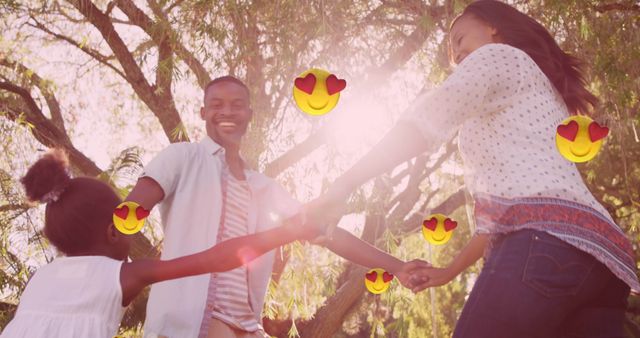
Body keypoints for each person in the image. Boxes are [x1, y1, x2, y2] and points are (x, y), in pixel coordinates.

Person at [302, 1, 639, 337]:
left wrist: (344, 184)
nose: (457, 53)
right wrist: (450, 271)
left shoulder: (498, 56)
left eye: (460, 39)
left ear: (493, 26)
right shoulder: (545, 93)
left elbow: (428, 119)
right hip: (603, 261)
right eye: (452, 51)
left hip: (546, 246)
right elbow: (514, 208)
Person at [128, 76, 429, 338]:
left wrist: (398, 266)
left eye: (236, 104)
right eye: (217, 104)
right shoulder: (182, 158)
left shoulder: (265, 188)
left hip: (245, 325)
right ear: (203, 112)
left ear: (249, 114)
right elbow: (127, 215)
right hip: (191, 319)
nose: (227, 111)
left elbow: (326, 231)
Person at [0, 149, 320, 338]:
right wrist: (285, 233)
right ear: (113, 231)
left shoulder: (40, 279)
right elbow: (215, 259)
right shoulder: (124, 275)